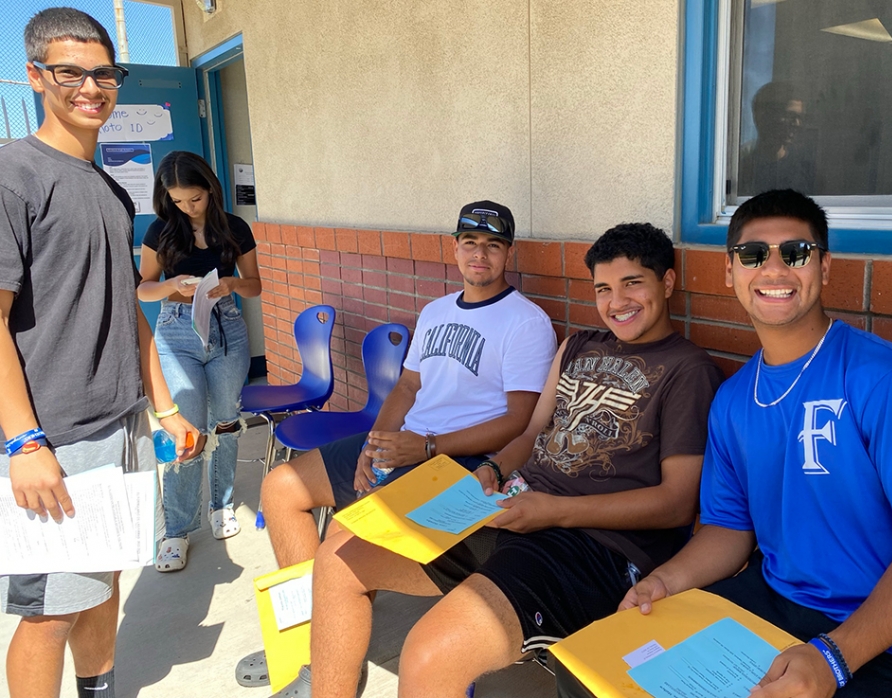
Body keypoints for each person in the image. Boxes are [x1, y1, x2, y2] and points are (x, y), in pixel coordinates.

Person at [558, 189, 892, 698]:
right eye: (754, 255)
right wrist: (664, 581)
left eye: (795, 252)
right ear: (730, 271)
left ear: (823, 266)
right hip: (778, 602)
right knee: (596, 677)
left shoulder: (891, 381)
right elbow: (728, 530)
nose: (774, 270)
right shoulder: (733, 400)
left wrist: (833, 659)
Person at [293, 223, 723, 698]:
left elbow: (677, 503)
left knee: (429, 654)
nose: (616, 301)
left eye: (632, 284)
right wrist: (492, 470)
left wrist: (552, 511)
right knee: (337, 561)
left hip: (591, 546)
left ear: (666, 282)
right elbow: (533, 431)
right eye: (603, 288)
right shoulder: (578, 346)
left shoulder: (688, 370)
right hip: (514, 510)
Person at [235, 200, 558, 691]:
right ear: (455, 248)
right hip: (409, 443)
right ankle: (317, 647)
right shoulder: (435, 311)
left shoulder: (525, 321)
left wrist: (425, 448)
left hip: (455, 459)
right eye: (470, 243)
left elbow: (518, 423)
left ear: (507, 254)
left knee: (341, 548)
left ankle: (331, 664)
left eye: (493, 246)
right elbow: (406, 389)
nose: (480, 255)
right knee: (282, 489)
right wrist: (373, 445)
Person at [0, 9, 198, 698]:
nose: (91, 87)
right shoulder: (13, 175)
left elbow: (128, 314)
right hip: (55, 436)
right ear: (36, 77)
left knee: (106, 577)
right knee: (50, 610)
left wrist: (165, 409)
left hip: (123, 425)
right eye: (70, 72)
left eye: (103, 74)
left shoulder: (112, 192)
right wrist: (24, 441)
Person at [138, 150, 262, 572]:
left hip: (227, 329)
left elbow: (255, 287)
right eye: (177, 201)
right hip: (176, 332)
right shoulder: (160, 230)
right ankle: (177, 531)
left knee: (226, 422)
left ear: (210, 189)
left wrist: (230, 283)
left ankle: (221, 505)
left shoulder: (235, 228)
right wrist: (171, 284)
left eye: (194, 199)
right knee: (186, 431)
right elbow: (143, 289)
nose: (187, 208)